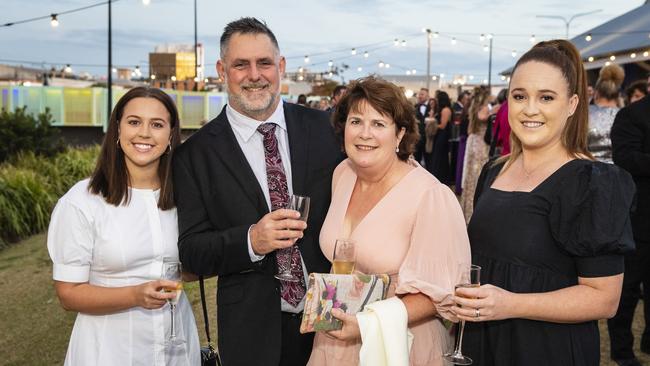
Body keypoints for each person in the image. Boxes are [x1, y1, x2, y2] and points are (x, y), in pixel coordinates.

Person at [454, 40, 636, 366]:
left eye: (546, 97)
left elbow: (604, 299)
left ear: (572, 104)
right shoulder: (494, 169)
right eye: (520, 96)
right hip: (481, 345)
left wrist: (511, 304)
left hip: (546, 349)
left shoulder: (592, 181)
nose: (530, 109)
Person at [172, 17, 341, 366]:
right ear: (222, 70)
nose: (254, 74)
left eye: (264, 62)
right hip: (251, 332)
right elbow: (192, 252)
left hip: (332, 325)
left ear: (280, 66)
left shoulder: (325, 129)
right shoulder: (195, 155)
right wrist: (252, 240)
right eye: (240, 64)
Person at [307, 76, 471, 366]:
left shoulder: (430, 196)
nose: (364, 134)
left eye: (379, 124)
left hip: (398, 344)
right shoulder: (342, 174)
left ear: (399, 135)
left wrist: (368, 323)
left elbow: (440, 295)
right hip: (335, 339)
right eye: (356, 121)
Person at [47, 86, 200, 365]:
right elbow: (68, 294)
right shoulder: (82, 201)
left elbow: (189, 266)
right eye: (134, 122)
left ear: (170, 135)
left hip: (176, 347)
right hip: (108, 349)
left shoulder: (185, 198)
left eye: (156, 124)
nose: (144, 133)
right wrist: (135, 295)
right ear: (117, 130)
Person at [608, 93, 650, 366]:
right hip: (638, 220)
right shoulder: (632, 115)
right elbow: (623, 157)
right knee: (627, 291)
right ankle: (622, 352)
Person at [459, 87, 490, 223]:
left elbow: (469, 127)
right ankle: (473, 213)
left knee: (471, 175)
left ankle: (467, 211)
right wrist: (493, 112)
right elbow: (482, 117)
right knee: (478, 175)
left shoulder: (472, 107)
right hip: (480, 143)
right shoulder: (483, 108)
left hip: (472, 140)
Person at [588, 64, 624, 163]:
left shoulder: (584, 113)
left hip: (587, 169)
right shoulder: (625, 115)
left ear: (596, 93)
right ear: (618, 94)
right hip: (618, 172)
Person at [426, 90, 452, 184]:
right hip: (439, 135)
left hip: (443, 136)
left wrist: (432, 125)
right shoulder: (440, 109)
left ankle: (441, 177)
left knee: (440, 156)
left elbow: (443, 125)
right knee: (437, 156)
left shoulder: (446, 110)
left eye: (437, 98)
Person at [413, 87, 430, 164]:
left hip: (429, 138)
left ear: (427, 96)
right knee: (416, 160)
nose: (420, 96)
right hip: (418, 138)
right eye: (419, 94)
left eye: (422, 94)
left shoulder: (432, 107)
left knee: (429, 160)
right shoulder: (415, 107)